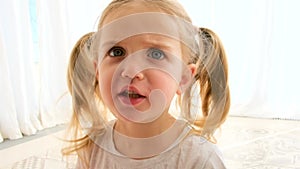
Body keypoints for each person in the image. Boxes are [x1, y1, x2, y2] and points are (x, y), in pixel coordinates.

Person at [63, 0, 230, 168]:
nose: (130, 71)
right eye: (117, 52)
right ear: (98, 71)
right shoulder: (92, 151)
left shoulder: (199, 158)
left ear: (183, 78)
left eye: (155, 54)